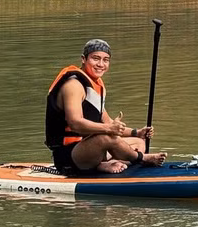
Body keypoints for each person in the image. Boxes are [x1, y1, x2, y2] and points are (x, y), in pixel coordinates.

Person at [44, 38, 167, 174]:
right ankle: (142, 158)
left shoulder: (96, 86)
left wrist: (137, 132)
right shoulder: (73, 86)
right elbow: (75, 123)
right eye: (96, 58)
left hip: (91, 148)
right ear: (84, 59)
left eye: (105, 60)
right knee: (107, 137)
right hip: (69, 156)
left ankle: (103, 164)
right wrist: (109, 129)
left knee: (139, 142)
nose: (101, 64)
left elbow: (108, 122)